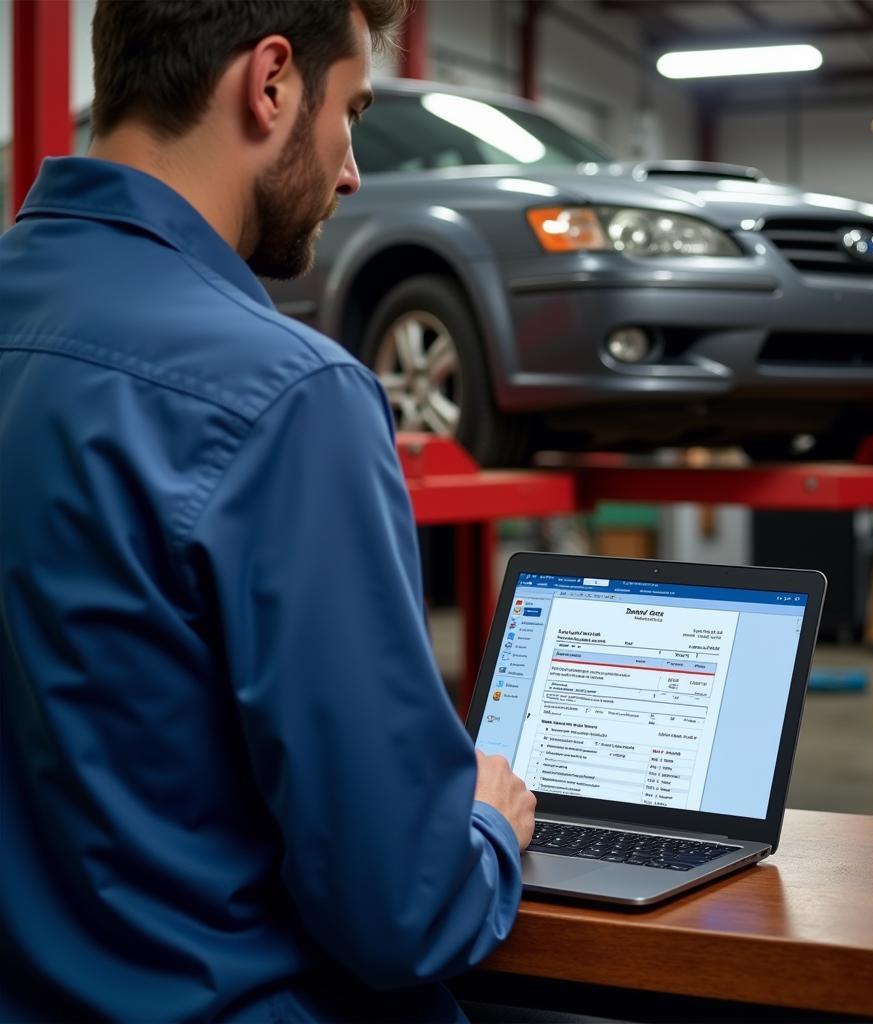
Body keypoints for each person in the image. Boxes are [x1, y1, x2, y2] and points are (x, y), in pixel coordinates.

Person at [0, 2, 535, 1020]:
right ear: (272, 82)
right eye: (353, 116)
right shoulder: (289, 398)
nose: (348, 172)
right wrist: (488, 828)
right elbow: (403, 911)